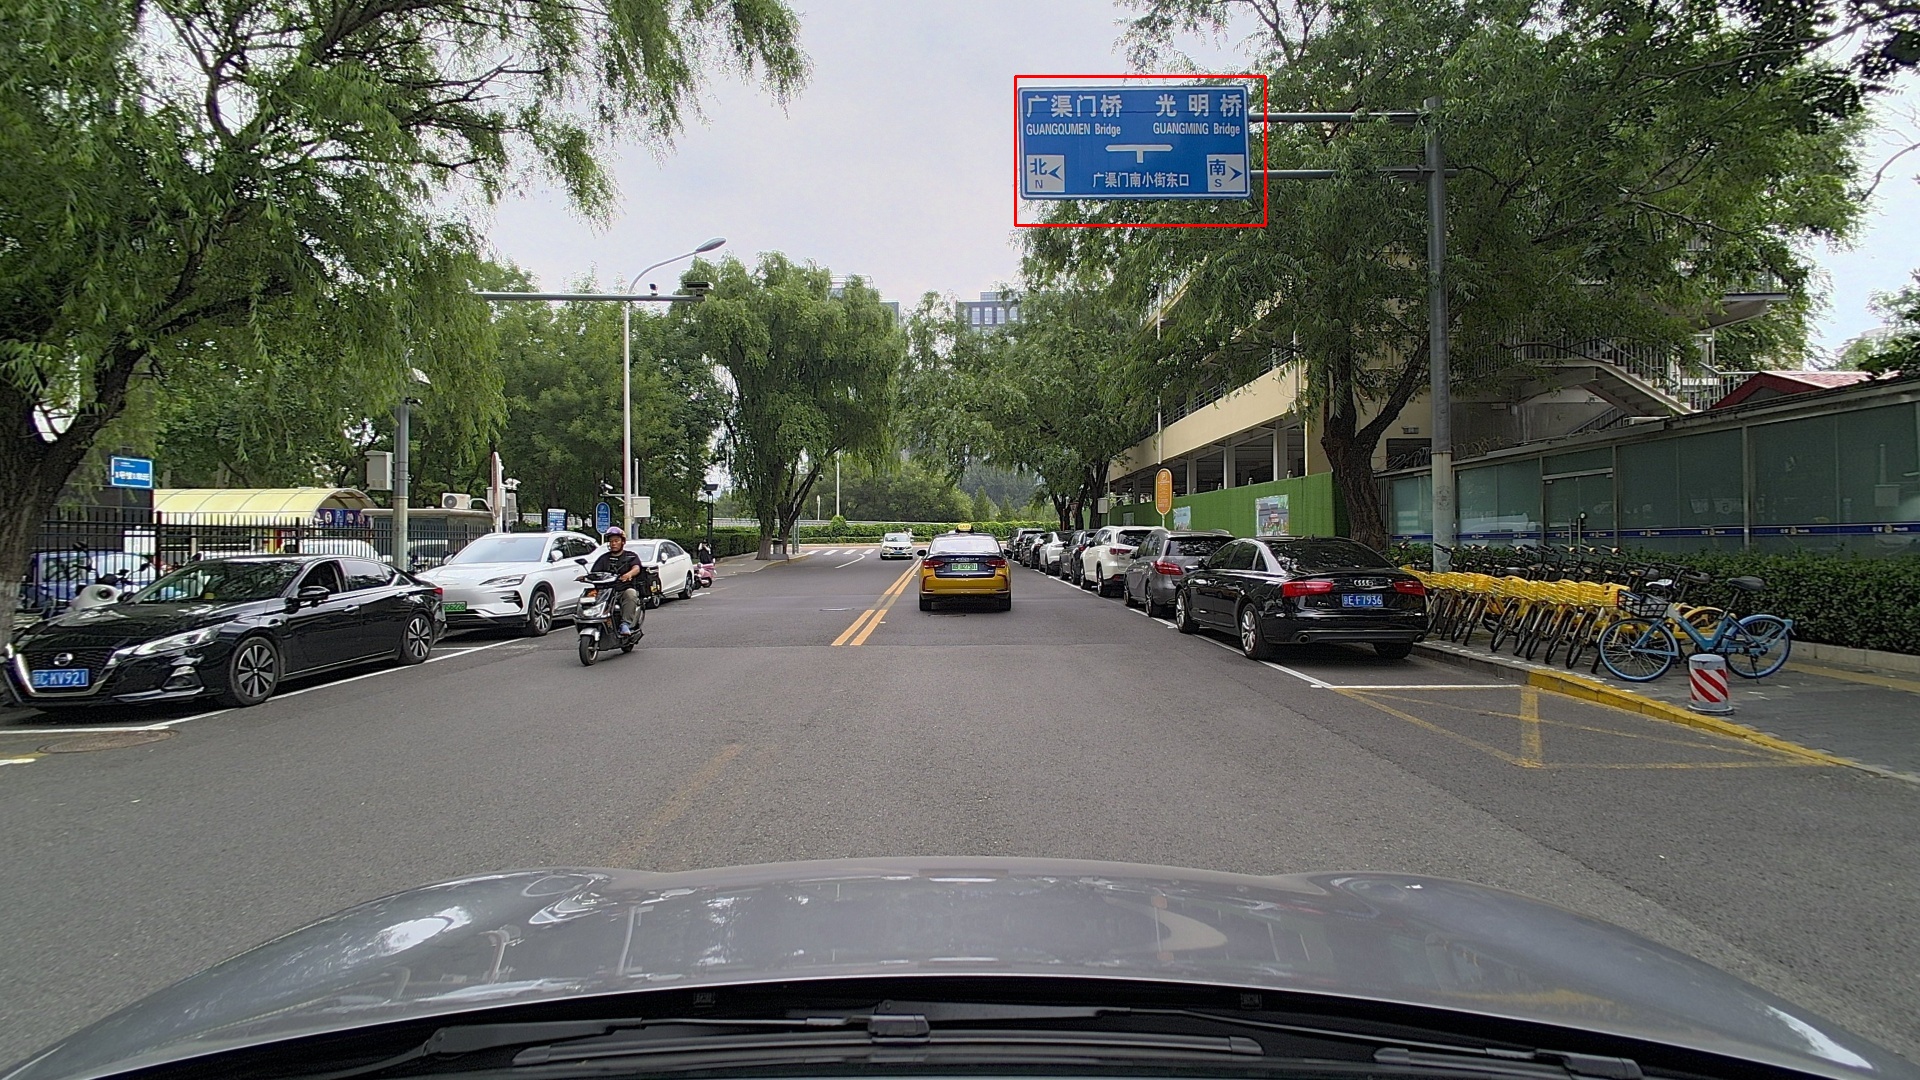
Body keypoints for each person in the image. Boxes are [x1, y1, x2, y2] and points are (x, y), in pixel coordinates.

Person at [588, 526, 648, 635]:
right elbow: (594, 573)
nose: (613, 544)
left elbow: (636, 568)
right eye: (611, 541)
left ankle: (625, 624)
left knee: (631, 594)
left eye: (616, 541)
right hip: (605, 592)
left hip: (622, 591)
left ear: (623, 542)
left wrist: (629, 574)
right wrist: (585, 577)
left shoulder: (630, 556)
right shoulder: (603, 558)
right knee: (588, 596)